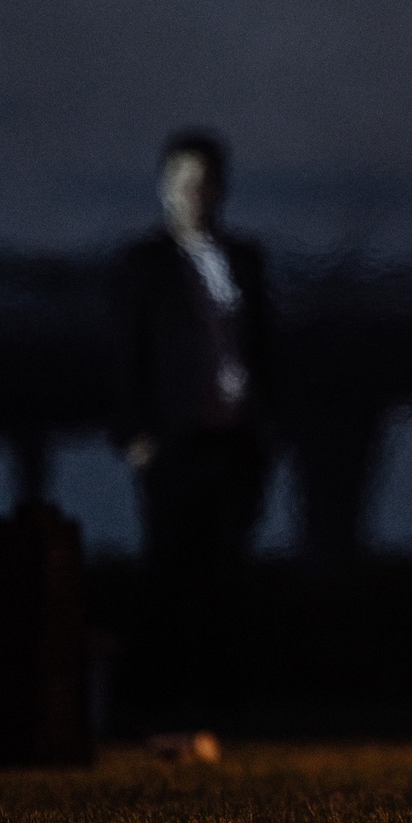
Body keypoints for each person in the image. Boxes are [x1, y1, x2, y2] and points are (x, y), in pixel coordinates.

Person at [111, 129, 278, 717]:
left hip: (234, 443)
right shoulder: (144, 263)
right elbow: (125, 351)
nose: (193, 193)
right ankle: (152, 705)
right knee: (167, 573)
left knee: (227, 577)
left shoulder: (245, 259)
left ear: (220, 189)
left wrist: (267, 432)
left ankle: (223, 706)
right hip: (175, 445)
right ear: (164, 189)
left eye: (203, 181)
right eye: (182, 182)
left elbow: (265, 347)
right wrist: (134, 435)